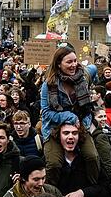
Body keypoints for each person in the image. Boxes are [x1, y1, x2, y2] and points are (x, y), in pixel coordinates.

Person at [40, 46, 100, 185]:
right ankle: (50, 192)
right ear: (59, 64)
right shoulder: (48, 85)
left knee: (92, 157)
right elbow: (46, 113)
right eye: (69, 62)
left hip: (80, 126)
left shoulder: (83, 78)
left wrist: (83, 125)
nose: (73, 65)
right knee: (54, 163)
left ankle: (93, 189)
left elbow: (94, 68)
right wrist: (69, 117)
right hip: (54, 129)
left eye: (75, 61)